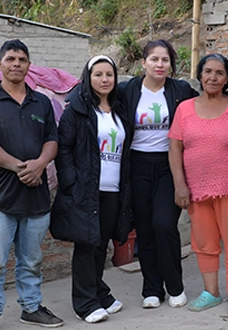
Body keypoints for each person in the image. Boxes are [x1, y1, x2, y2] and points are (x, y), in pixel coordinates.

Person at [0, 39, 63, 330]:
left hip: (36, 197)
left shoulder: (41, 102)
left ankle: (31, 307)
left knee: (32, 261)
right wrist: (21, 167)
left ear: (29, 65)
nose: (16, 64)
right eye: (10, 59)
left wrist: (40, 164)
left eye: (22, 59)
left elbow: (52, 140)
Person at [168, 53, 228, 316]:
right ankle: (211, 292)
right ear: (200, 75)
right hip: (197, 187)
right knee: (203, 241)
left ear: (227, 79)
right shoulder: (184, 109)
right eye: (208, 71)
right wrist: (180, 185)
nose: (213, 77)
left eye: (219, 73)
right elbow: (175, 148)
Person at [50, 55, 132, 323]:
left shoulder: (119, 109)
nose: (104, 79)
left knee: (100, 244)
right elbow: (63, 148)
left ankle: (99, 293)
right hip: (86, 189)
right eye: (98, 74)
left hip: (113, 189)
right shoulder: (77, 110)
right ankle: (85, 304)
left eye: (109, 74)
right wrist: (71, 182)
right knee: (86, 245)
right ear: (88, 78)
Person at [118, 40, 198, 309]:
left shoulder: (181, 90)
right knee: (144, 228)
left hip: (169, 163)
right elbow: (97, 97)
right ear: (144, 63)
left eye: (165, 60)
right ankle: (151, 288)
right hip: (137, 164)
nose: (160, 64)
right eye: (154, 59)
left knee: (164, 224)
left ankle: (175, 286)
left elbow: (206, 101)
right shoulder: (128, 90)